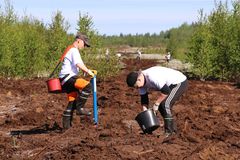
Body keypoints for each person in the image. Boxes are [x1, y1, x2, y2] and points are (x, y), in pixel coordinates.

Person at [126, 66, 188, 137]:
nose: (137, 88)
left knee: (165, 104)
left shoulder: (153, 77)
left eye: (136, 86)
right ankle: (173, 129)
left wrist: (156, 104)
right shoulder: (141, 84)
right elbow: (144, 98)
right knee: (163, 106)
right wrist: (145, 110)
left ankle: (169, 132)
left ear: (139, 79)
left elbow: (166, 91)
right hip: (169, 85)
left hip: (179, 82)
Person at [59, 33, 95, 129]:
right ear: (79, 41)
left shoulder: (70, 49)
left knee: (72, 102)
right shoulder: (74, 50)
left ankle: (66, 127)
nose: (84, 47)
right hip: (68, 78)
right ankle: (80, 108)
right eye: (84, 44)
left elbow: (75, 66)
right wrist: (87, 71)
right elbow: (78, 63)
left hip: (65, 79)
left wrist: (83, 71)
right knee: (87, 86)